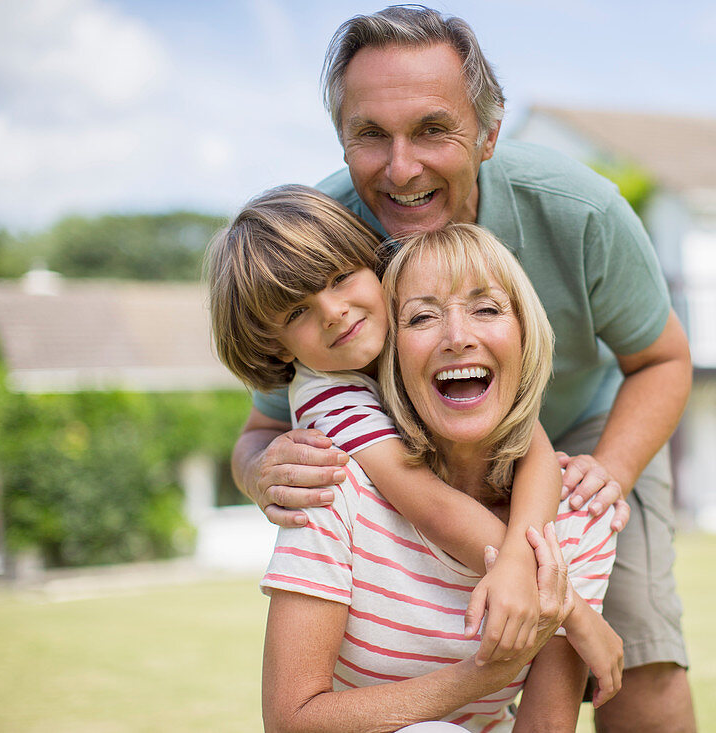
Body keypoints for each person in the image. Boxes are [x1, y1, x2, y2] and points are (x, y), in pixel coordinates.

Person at [231, 7, 696, 730]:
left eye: (432, 129)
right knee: (420, 640)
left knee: (637, 651)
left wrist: (611, 471)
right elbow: (262, 427)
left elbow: (663, 359)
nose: (401, 166)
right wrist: (261, 471)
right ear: (343, 140)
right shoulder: (324, 250)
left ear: (488, 133)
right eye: (371, 136)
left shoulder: (580, 211)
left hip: (579, 424)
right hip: (413, 444)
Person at [205, 186, 624, 701]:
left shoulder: (403, 342)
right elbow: (431, 507)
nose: (334, 311)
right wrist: (571, 612)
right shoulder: (329, 395)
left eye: (340, 279)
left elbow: (532, 443)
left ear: (372, 264)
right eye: (296, 313)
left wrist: (525, 553)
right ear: (273, 344)